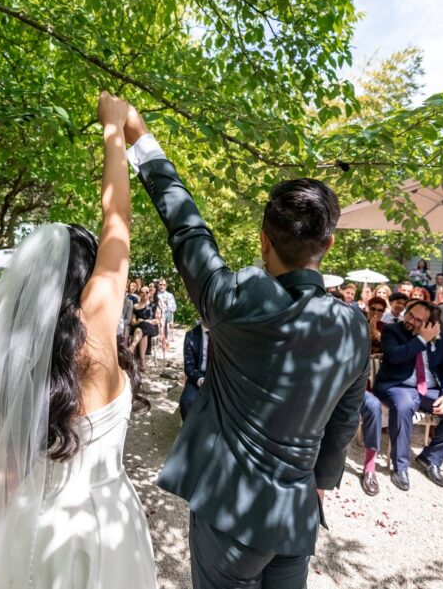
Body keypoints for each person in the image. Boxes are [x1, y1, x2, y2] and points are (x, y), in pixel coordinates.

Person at [123, 97, 369, 587]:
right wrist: (319, 484)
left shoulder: (234, 300)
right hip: (295, 514)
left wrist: (137, 135)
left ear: (263, 240)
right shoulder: (354, 326)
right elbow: (344, 421)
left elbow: (186, 226)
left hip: (230, 515)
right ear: (329, 244)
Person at [0, 93, 157, 588]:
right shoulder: (95, 330)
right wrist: (114, 130)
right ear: (85, 276)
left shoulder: (11, 354)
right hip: (98, 522)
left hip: (29, 516)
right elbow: (118, 221)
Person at [374, 301, 443, 490]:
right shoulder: (392, 331)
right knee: (403, 405)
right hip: (399, 385)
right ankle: (400, 467)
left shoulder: (441, 337)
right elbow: (394, 356)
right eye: (410, 315)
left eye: (418, 320)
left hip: (430, 389)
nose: (411, 321)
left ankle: (431, 458)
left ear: (431, 324)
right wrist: (421, 339)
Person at [359, 297, 387, 497]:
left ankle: (370, 467)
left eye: (380, 309)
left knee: (374, 407)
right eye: (373, 308)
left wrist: (377, 335)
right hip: (344, 383)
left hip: (368, 384)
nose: (376, 312)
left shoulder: (387, 329)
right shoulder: (357, 323)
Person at [129, 284, 161, 371]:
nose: (144, 294)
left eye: (147, 292)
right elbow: (132, 321)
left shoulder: (154, 306)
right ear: (139, 294)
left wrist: (146, 321)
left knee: (144, 325)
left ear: (150, 294)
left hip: (152, 328)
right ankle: (143, 364)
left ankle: (132, 347)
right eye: (142, 292)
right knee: (143, 331)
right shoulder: (135, 306)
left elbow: (157, 320)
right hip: (139, 328)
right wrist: (138, 322)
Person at [181, 322, 209, 421]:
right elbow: (189, 366)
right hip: (198, 376)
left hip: (220, 376)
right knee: (186, 401)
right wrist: (200, 380)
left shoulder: (223, 333)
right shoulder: (191, 335)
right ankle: (189, 434)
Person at [156, 278, 178, 344]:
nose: (162, 286)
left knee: (164, 317)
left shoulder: (170, 295)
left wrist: (167, 304)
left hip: (167, 313)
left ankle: (164, 339)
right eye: (160, 284)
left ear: (166, 286)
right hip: (156, 314)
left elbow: (174, 308)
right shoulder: (155, 295)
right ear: (158, 285)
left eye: (164, 285)